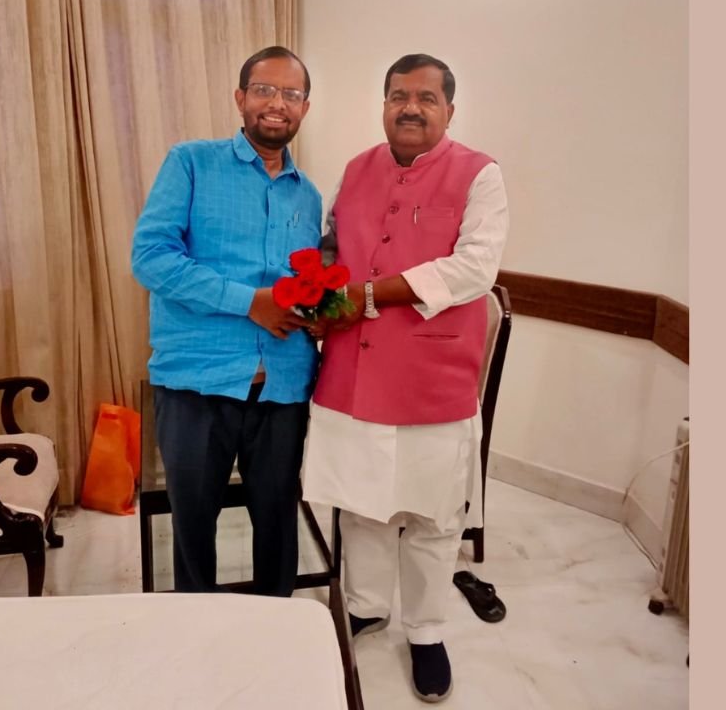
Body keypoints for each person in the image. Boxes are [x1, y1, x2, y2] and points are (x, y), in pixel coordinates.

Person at [303, 53, 508, 702]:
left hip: (432, 376)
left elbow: (474, 269)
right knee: (362, 504)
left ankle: (425, 632)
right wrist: (318, 291)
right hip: (353, 371)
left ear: (450, 109)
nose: (410, 107)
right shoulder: (356, 168)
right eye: (398, 96)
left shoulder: (480, 174)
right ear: (384, 103)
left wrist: (367, 295)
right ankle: (366, 605)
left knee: (432, 516)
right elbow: (333, 246)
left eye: (425, 97)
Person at [132, 46, 322, 596]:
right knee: (193, 528)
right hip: (196, 383)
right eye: (264, 90)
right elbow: (151, 258)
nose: (277, 103)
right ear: (240, 98)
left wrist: (321, 313)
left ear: (305, 108)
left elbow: (307, 280)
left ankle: (278, 622)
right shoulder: (191, 163)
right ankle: (198, 631)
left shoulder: (308, 196)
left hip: (282, 388)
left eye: (291, 94)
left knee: (278, 524)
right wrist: (248, 302)